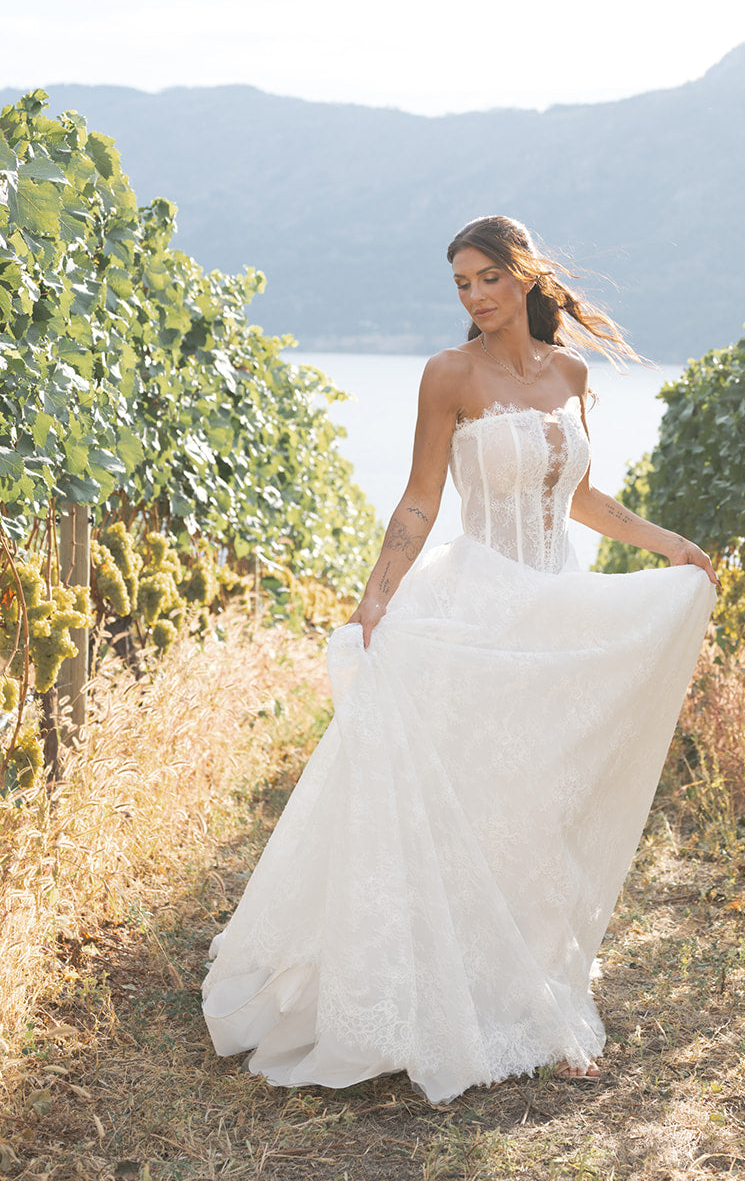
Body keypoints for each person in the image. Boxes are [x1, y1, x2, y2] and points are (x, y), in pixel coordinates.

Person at [202, 216, 717, 1104]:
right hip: (476, 610)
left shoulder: (570, 373)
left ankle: (541, 992)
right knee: (484, 801)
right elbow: (419, 498)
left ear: (524, 277)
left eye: (487, 278)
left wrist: (670, 544)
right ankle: (454, 994)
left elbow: (582, 495)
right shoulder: (448, 376)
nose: (475, 297)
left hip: (556, 609)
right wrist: (376, 596)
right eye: (460, 285)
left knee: (547, 802)